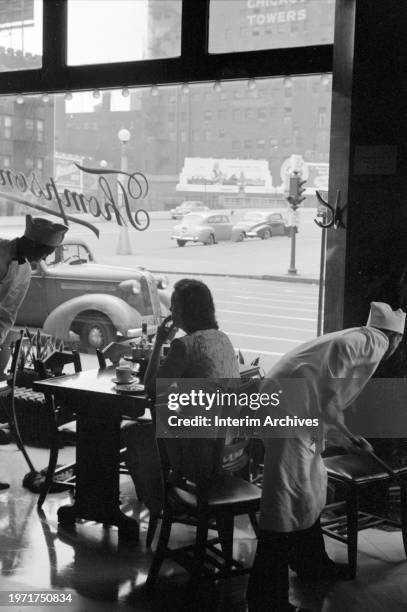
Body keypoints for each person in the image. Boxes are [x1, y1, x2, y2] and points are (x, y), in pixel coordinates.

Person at [247, 301, 405, 612]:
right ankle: (266, 597)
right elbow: (331, 402)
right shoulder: (376, 342)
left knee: (309, 489)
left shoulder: (359, 338)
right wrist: (348, 438)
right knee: (283, 500)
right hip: (286, 411)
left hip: (287, 406)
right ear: (395, 337)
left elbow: (326, 395)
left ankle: (311, 563)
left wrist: (346, 437)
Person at [123, 278, 240, 515]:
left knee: (133, 434)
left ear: (187, 310)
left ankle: (162, 507)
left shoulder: (184, 346)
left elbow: (151, 389)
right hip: (232, 450)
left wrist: (158, 344)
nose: (171, 312)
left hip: (200, 457)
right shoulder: (222, 339)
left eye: (174, 306)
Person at [0, 214, 68, 489]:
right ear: (30, 242)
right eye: (44, 251)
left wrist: (2, 343)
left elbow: (8, 311)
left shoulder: (27, 269)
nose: (45, 258)